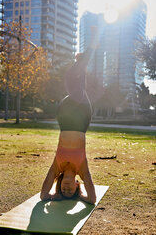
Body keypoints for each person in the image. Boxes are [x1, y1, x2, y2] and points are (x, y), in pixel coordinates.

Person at [40, 27, 98, 204]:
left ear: (59, 186)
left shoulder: (56, 167)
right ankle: (93, 44)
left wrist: (52, 196)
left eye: (63, 190)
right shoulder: (82, 169)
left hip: (64, 119)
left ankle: (82, 60)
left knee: (76, 85)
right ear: (76, 184)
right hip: (81, 120)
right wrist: (82, 197)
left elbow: (43, 195)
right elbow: (93, 199)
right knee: (75, 83)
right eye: (70, 190)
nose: (66, 189)